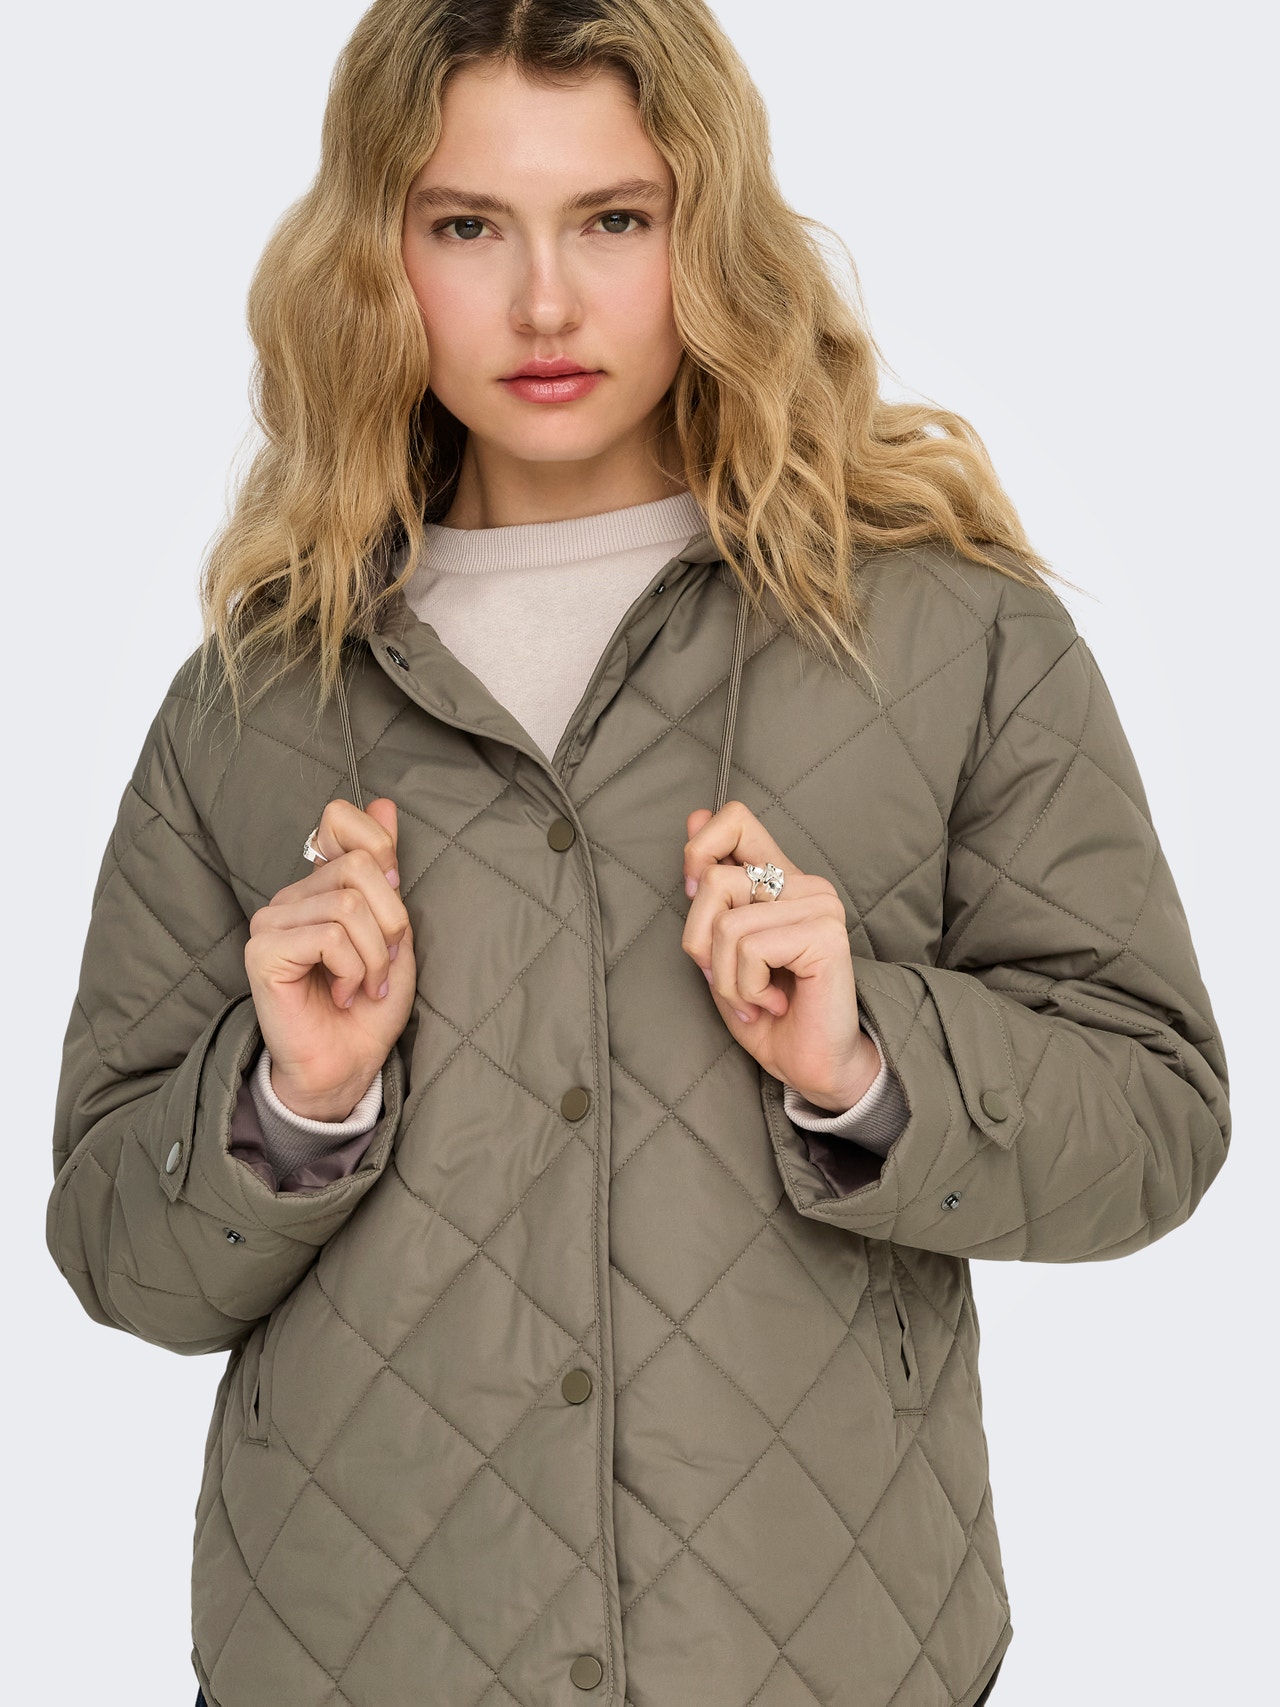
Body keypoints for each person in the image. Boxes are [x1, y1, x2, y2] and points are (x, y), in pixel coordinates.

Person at [45, 1, 1231, 1703]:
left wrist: (863, 1064)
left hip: (814, 1656)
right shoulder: (253, 698)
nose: (545, 303)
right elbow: (117, 1252)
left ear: (710, 236)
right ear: (378, 257)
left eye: (613, 218)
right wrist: (293, 1100)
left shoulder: (949, 636)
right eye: (470, 226)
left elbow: (1157, 1119)